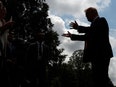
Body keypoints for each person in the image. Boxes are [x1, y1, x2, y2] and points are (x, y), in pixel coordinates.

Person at [62, 7, 114, 87]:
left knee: (102, 78)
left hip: (102, 54)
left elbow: (93, 30)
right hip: (95, 56)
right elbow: (85, 37)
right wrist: (72, 36)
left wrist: (78, 27)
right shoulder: (93, 26)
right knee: (97, 79)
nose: (86, 18)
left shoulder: (101, 20)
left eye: (87, 15)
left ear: (92, 14)